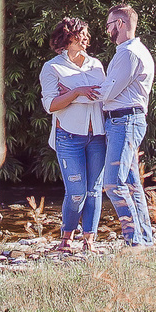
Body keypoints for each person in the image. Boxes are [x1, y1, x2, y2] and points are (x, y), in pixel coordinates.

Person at [39, 17, 106, 252]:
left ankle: (89, 241)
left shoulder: (96, 65)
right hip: (68, 136)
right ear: (67, 38)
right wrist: (78, 91)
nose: (86, 38)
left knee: (93, 190)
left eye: (87, 34)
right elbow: (51, 105)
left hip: (97, 135)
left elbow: (103, 95)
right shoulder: (52, 68)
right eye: (81, 34)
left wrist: (72, 95)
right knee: (76, 192)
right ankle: (66, 239)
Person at [96, 3, 156, 247]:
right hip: (125, 120)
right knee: (131, 185)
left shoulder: (128, 54)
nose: (107, 30)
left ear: (119, 24)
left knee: (114, 183)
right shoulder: (132, 51)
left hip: (124, 121)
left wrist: (78, 93)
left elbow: (109, 92)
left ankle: (134, 242)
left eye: (109, 25)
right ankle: (144, 239)